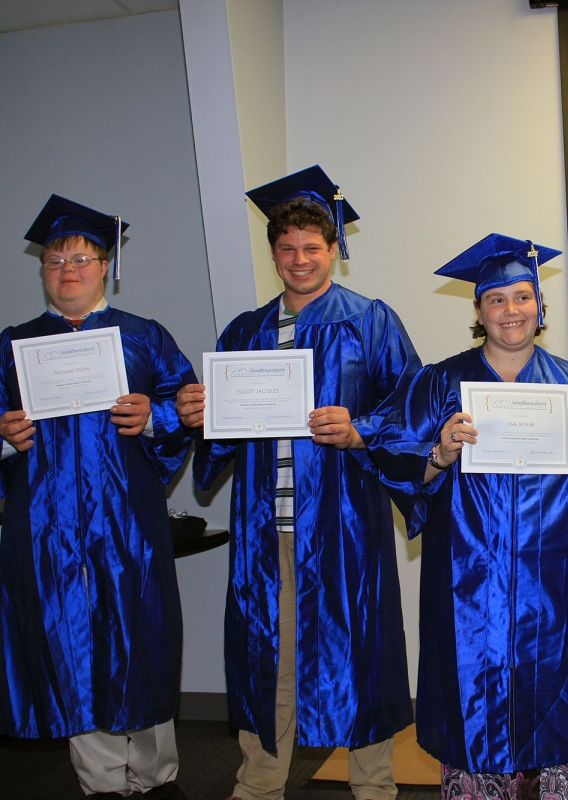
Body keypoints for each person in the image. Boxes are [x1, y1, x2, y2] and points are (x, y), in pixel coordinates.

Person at [367, 234, 568, 800]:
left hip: (558, 584)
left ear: (540, 307)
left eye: (523, 297)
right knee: (474, 703)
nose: (511, 311)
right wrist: (437, 456)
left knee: (559, 699)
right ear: (478, 311)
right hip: (466, 581)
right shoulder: (437, 384)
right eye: (496, 300)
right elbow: (391, 461)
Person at [175, 166, 420, 800]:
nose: (300, 259)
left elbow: (416, 409)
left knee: (359, 648)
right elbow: (225, 435)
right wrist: (203, 418)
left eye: (313, 247)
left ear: (335, 249)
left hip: (345, 524)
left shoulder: (370, 321)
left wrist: (361, 428)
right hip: (267, 527)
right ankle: (258, 784)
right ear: (274, 255)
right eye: (287, 249)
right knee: (267, 655)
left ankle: (375, 787)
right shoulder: (244, 331)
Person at [0, 195, 196, 799]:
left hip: (127, 527)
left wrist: (157, 416)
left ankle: (155, 776)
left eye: (81, 258)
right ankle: (99, 784)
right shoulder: (14, 345)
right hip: (49, 528)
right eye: (55, 260)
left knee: (140, 642)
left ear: (104, 266)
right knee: (72, 647)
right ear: (43, 271)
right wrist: (4, 435)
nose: (67, 269)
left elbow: (190, 407)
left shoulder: (144, 338)